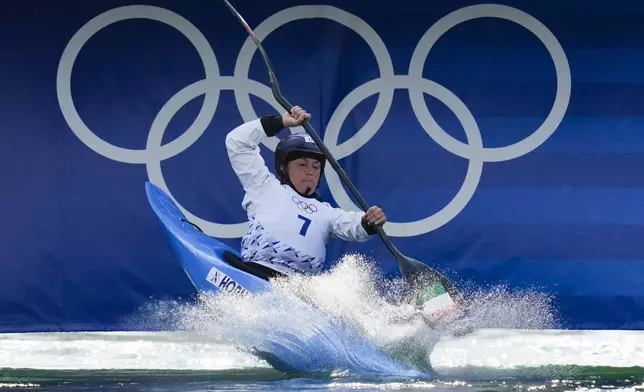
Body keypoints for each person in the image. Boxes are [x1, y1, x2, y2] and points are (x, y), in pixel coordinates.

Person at [225, 106, 386, 279]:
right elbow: (237, 142)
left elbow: (354, 225)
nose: (310, 171)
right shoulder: (264, 186)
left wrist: (369, 221)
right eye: (302, 164)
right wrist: (280, 122)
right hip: (254, 274)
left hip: (298, 292)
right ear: (283, 168)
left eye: (316, 167)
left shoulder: (327, 213)